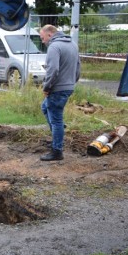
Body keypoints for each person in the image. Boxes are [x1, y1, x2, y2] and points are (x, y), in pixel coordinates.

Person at [39, 24, 81, 161]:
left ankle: (57, 150)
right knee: (45, 107)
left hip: (57, 88)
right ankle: (58, 134)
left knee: (56, 119)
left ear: (50, 34)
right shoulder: (72, 45)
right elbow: (78, 67)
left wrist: (46, 87)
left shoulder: (54, 47)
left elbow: (53, 70)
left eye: (42, 37)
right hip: (68, 86)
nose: (42, 41)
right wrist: (72, 82)